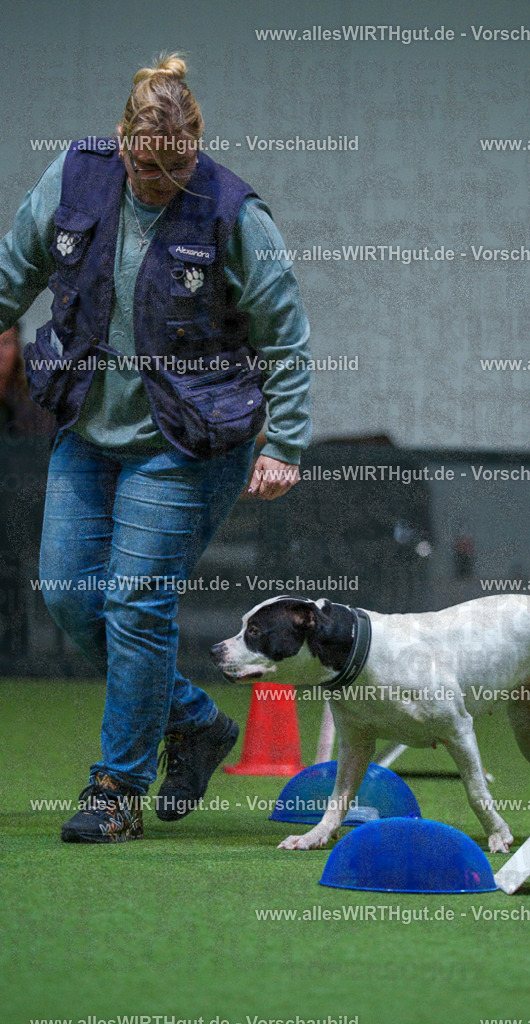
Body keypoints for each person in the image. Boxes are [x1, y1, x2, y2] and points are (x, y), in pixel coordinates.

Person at [0, 53, 312, 843]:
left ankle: (116, 790)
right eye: (143, 165)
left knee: (136, 604)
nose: (154, 182)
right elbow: (14, 272)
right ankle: (196, 722)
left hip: (189, 440)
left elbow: (286, 338)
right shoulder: (75, 177)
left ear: (194, 146)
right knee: (72, 596)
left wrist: (288, 444)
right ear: (122, 140)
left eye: (172, 168)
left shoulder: (236, 213)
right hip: (90, 426)